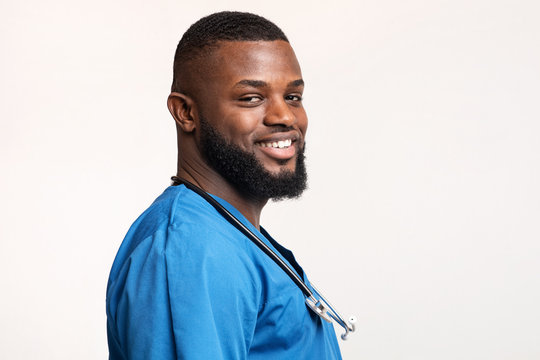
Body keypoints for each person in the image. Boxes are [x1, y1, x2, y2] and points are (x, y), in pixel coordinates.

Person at [106, 11, 343, 359]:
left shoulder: (226, 233)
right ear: (186, 113)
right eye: (251, 98)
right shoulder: (194, 249)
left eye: (293, 97)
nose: (285, 117)